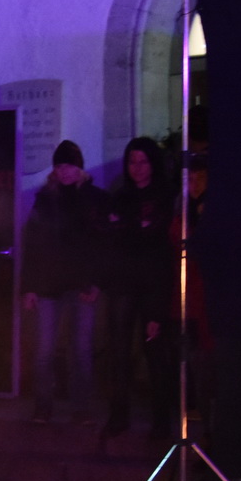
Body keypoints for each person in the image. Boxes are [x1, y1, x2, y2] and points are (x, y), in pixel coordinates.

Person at [97, 137, 178, 440]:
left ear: (153, 163)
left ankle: (161, 421)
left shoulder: (165, 196)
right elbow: (112, 234)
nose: (137, 168)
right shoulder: (121, 196)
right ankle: (119, 414)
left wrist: (129, 228)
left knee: (155, 351)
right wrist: (134, 228)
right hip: (122, 284)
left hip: (153, 284)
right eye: (132, 161)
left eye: (143, 161)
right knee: (118, 350)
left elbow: (158, 240)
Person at [21, 140, 108, 423]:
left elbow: (102, 245)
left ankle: (81, 408)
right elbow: (32, 243)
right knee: (44, 349)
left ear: (79, 167)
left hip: (82, 284)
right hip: (49, 284)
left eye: (69, 165)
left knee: (81, 349)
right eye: (59, 166)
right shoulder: (46, 198)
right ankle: (43, 406)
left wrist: (96, 282)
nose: (64, 171)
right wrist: (29, 287)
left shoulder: (94, 198)